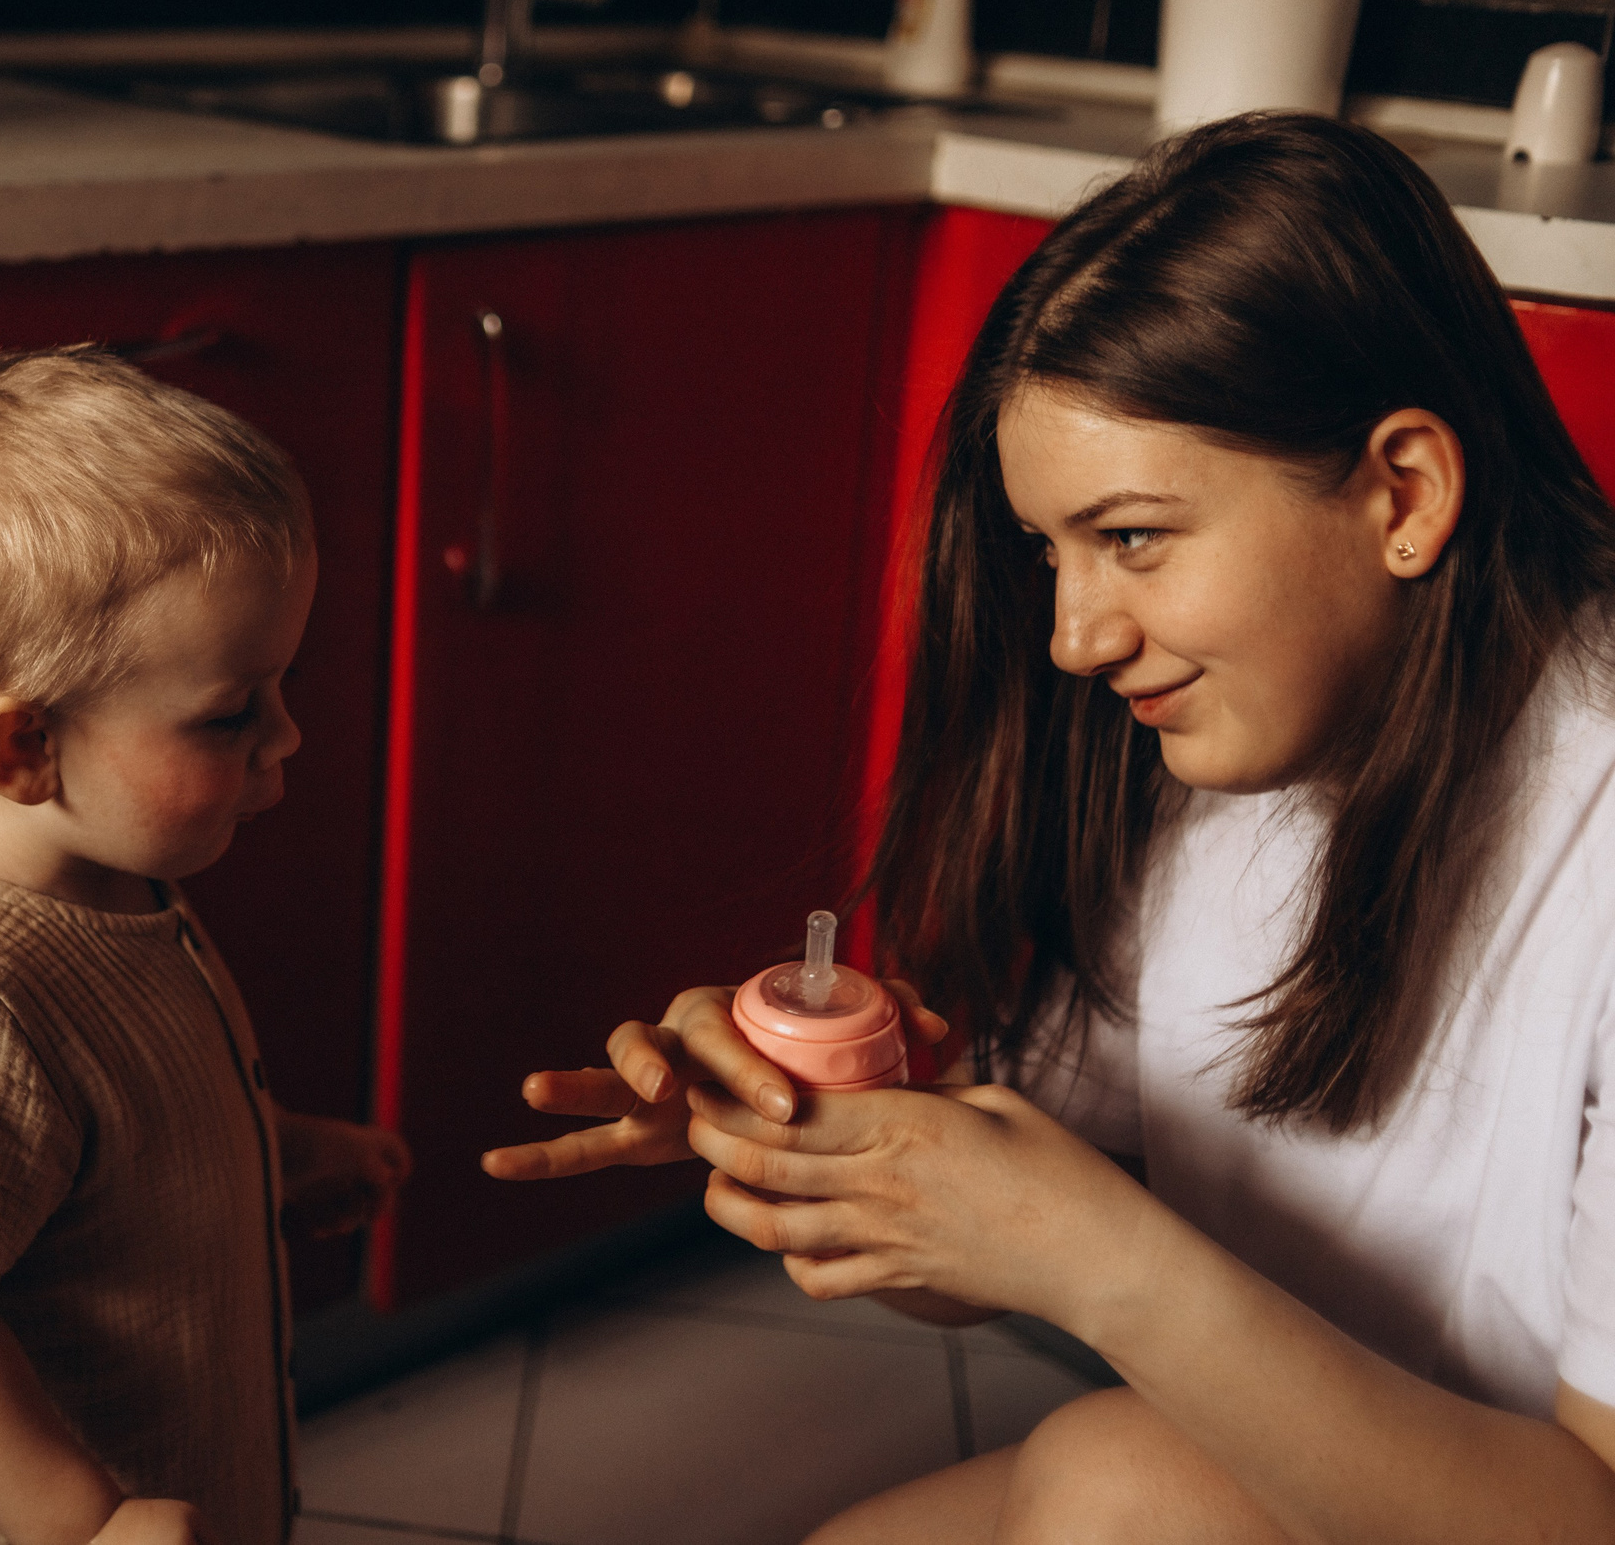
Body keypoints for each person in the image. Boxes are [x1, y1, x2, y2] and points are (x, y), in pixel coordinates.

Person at [480, 114, 1615, 1541]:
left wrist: (1101, 1259)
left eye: (1133, 536)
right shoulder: (1236, 740)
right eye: (1050, 550)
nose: (1075, 636)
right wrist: (823, 1140)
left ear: (1404, 491)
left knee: (1112, 1481)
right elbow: (994, 1239)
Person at [0, 351, 411, 1545]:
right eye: (232, 711)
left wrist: (271, 1153)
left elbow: (108, 1129)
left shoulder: (115, 880)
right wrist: (81, 1520)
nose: (286, 735)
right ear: (24, 751)